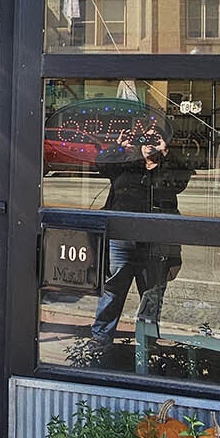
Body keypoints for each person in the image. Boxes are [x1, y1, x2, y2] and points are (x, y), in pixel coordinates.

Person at [88, 127, 192, 350]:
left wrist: (164, 153)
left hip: (155, 240)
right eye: (146, 139)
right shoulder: (127, 163)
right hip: (121, 238)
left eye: (156, 139)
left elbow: (182, 181)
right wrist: (119, 146)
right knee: (113, 288)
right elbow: (101, 165)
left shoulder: (167, 168)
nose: (149, 143)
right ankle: (101, 336)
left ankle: (147, 339)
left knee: (152, 292)